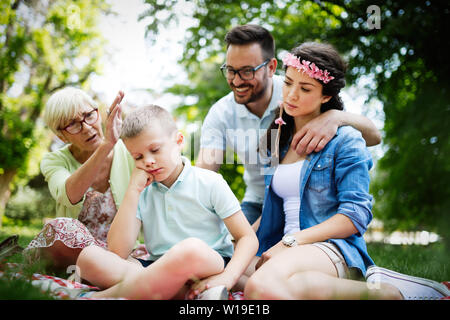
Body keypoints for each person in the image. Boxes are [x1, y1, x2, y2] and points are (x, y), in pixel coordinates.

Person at [242, 42, 449, 300]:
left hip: (328, 248)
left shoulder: (345, 140)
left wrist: (290, 242)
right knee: (221, 271)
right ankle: (383, 293)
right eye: (288, 83)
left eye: (305, 88)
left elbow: (355, 215)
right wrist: (243, 239)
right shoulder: (278, 139)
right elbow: (276, 206)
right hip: (283, 247)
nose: (291, 95)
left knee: (259, 288)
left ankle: (388, 291)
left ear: (326, 96)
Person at [196, 24, 382, 226]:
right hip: (260, 200)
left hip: (310, 200)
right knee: (227, 250)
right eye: (231, 70)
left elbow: (372, 136)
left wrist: (335, 117)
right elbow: (204, 176)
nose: (237, 80)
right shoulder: (221, 114)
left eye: (247, 71)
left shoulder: (298, 91)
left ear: (271, 68)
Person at [75, 104, 258, 300]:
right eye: (138, 157)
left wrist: (229, 277)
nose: (148, 161)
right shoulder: (141, 192)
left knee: (190, 249)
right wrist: (133, 191)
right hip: (157, 265)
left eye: (155, 150)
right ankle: (180, 291)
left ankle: (102, 297)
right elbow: (118, 251)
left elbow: (247, 237)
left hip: (207, 262)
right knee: (88, 258)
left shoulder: (208, 181)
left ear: (178, 141)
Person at [23, 88, 144, 270]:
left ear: (99, 114)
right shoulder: (54, 160)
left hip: (122, 252)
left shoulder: (128, 150)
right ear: (61, 136)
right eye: (72, 124)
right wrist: (106, 146)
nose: (86, 127)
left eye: (88, 115)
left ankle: (117, 272)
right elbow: (68, 195)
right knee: (59, 227)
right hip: (77, 255)